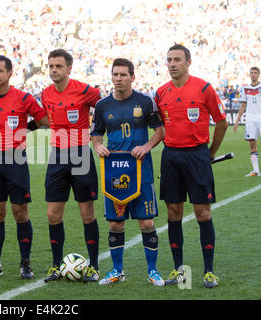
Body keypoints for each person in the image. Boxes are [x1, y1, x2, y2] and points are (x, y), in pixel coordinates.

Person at [155, 44, 228, 288]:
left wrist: (211, 152)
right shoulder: (160, 92)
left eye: (177, 59)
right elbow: (160, 127)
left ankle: (209, 271)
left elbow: (221, 122)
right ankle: (179, 272)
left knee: (202, 213)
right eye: (169, 60)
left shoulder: (204, 88)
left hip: (197, 156)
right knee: (173, 213)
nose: (172, 64)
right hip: (171, 156)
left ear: (188, 62)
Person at [0, 55, 48, 279]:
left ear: (9, 73)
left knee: (20, 212)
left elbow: (44, 120)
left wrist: (26, 129)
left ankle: (25, 263)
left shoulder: (23, 98)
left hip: (16, 159)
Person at [91, 58, 165, 286]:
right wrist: (98, 146)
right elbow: (96, 133)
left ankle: (152, 271)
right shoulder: (103, 105)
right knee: (115, 224)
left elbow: (160, 131)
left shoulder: (145, 101)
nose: (119, 79)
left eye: (123, 75)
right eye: (115, 74)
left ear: (133, 77)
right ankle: (117, 271)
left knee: (147, 223)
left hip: (142, 171)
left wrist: (146, 146)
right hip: (114, 173)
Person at [41, 49, 102, 283]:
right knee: (52, 214)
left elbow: (106, 109)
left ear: (69, 68)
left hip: (80, 155)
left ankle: (94, 266)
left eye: (58, 66)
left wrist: (97, 134)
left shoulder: (86, 91)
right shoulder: (46, 94)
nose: (54, 70)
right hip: (57, 156)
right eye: (51, 66)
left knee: (87, 213)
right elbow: (44, 118)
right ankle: (56, 266)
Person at [233, 66, 261, 177]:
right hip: (250, 119)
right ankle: (255, 170)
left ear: (258, 75)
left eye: (255, 73)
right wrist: (236, 122)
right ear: (250, 75)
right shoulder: (245, 89)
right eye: (252, 73)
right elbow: (242, 106)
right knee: (252, 144)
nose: (253, 74)